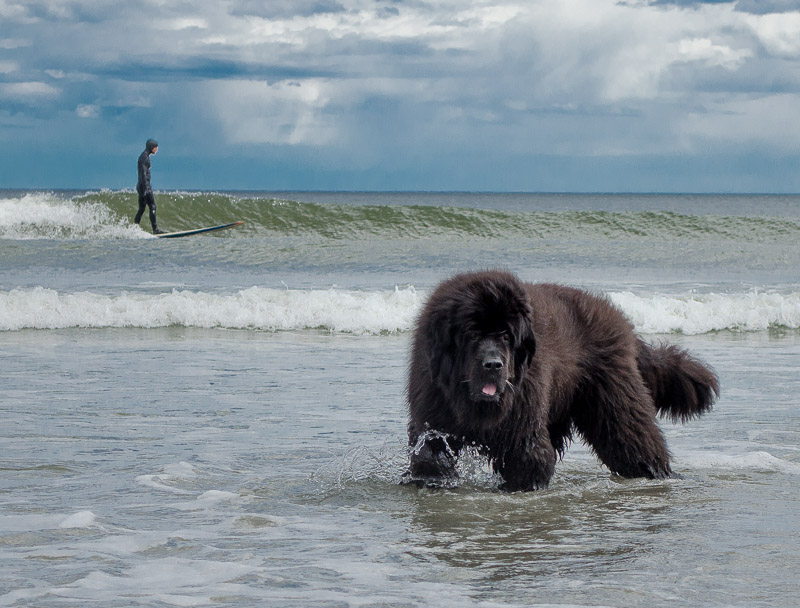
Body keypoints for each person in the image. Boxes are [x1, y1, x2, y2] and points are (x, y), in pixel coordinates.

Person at [135, 139, 166, 234]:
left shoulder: (143, 157)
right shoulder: (145, 158)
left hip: (141, 186)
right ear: (151, 147)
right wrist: (146, 189)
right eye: (156, 147)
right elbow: (143, 175)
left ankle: (134, 228)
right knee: (152, 206)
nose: (157, 149)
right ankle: (155, 230)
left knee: (142, 209)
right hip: (145, 186)